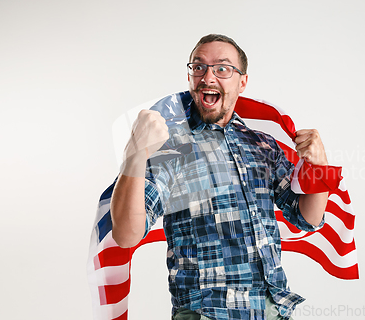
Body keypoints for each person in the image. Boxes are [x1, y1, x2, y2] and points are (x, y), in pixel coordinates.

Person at [109, 34, 330, 320]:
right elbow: (126, 235)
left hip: (272, 310)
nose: (207, 76)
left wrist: (319, 166)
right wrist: (134, 156)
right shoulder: (170, 147)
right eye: (198, 67)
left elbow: (307, 218)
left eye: (222, 68)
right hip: (208, 313)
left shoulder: (262, 145)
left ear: (242, 82)